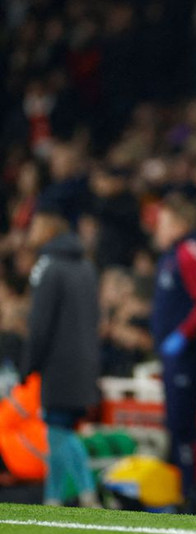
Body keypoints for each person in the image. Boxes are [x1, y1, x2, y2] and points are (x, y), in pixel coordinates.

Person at [21, 198, 101, 507]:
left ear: (49, 227)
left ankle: (88, 493)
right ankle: (52, 499)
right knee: (61, 428)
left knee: (58, 432)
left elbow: (39, 324)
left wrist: (29, 364)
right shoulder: (86, 266)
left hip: (58, 364)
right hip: (84, 361)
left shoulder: (47, 266)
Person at [151, 193, 196, 501]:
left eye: (163, 222)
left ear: (179, 223)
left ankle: (189, 494)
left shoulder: (191, 252)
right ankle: (180, 491)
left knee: (183, 423)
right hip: (175, 355)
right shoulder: (173, 254)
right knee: (176, 423)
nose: (157, 228)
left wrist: (182, 335)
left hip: (187, 355)